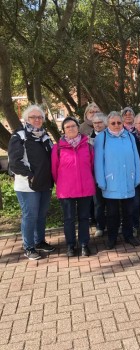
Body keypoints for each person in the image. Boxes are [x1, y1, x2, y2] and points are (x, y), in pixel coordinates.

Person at [8, 105, 55, 260]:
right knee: (30, 215)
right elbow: (14, 162)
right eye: (33, 117)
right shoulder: (19, 136)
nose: (37, 120)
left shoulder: (44, 136)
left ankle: (39, 241)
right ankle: (28, 247)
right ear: (26, 119)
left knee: (41, 215)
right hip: (27, 185)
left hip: (45, 183)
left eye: (40, 117)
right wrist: (30, 175)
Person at [94, 111, 140, 248]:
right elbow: (98, 162)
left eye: (119, 122)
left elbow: (136, 158)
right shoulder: (102, 138)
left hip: (128, 180)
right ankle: (112, 238)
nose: (116, 125)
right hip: (111, 182)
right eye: (113, 123)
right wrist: (101, 181)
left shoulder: (130, 136)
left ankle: (128, 236)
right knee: (112, 213)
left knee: (129, 211)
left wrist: (137, 177)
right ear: (107, 124)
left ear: (123, 123)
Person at [52, 117, 95, 257]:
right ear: (63, 130)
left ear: (78, 127)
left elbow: (92, 165)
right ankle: (70, 245)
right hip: (66, 190)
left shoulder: (87, 145)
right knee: (69, 219)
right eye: (67, 127)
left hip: (85, 188)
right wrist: (61, 184)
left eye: (73, 126)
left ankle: (84, 244)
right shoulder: (57, 147)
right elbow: (54, 169)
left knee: (84, 218)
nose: (71, 128)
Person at [89, 113, 107, 237]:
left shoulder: (110, 136)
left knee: (112, 203)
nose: (98, 125)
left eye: (100, 122)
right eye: (95, 123)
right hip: (95, 175)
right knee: (98, 203)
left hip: (110, 174)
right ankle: (100, 227)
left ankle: (113, 225)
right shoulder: (87, 139)